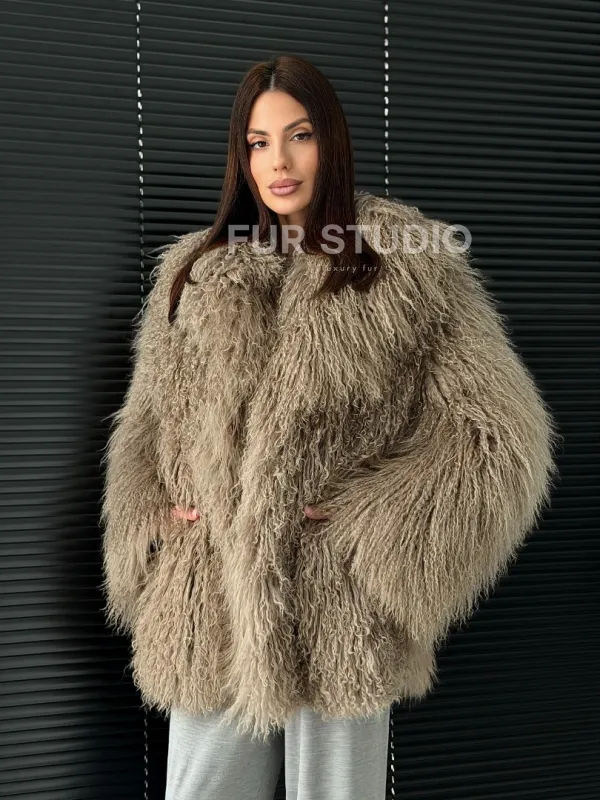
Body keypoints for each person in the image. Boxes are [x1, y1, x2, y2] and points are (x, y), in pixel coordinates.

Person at [99, 55, 559, 800]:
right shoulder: (195, 273)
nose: (278, 162)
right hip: (208, 600)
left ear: (332, 142)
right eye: (258, 142)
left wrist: (368, 528)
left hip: (334, 602)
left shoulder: (403, 264)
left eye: (300, 135)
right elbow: (148, 421)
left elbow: (497, 436)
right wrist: (153, 516)